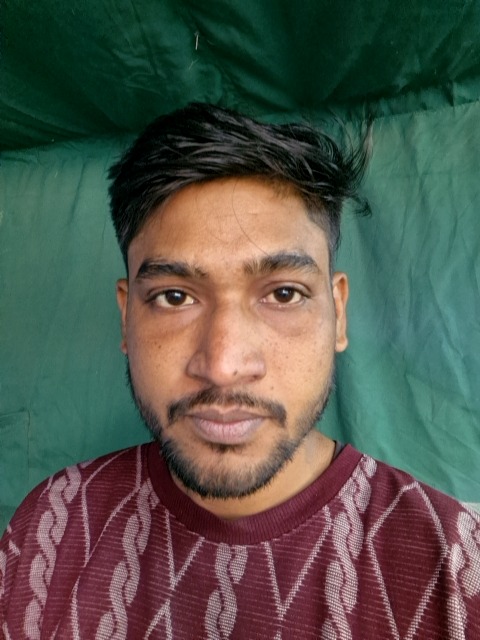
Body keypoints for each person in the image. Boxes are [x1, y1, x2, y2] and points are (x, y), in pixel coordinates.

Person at [1, 103, 479, 640]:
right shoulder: (49, 528)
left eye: (284, 293)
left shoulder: (457, 567)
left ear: (338, 313)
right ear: (126, 316)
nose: (224, 366)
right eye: (174, 297)